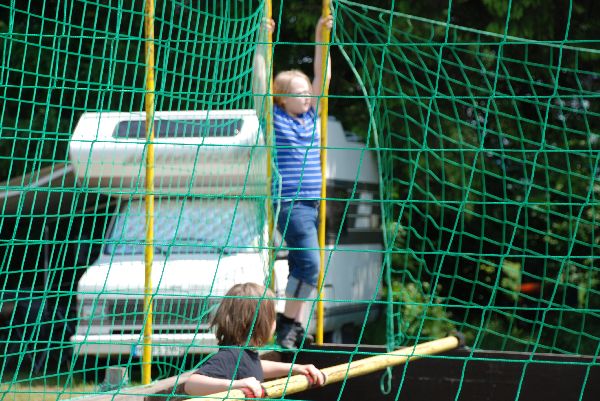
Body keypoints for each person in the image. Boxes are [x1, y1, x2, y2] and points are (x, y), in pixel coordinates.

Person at [253, 14, 334, 350]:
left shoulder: (312, 117)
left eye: (307, 94)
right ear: (282, 99)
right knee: (311, 265)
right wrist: (261, 41)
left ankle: (294, 326)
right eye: (299, 94)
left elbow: (322, 76)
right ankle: (289, 323)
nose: (307, 98)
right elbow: (260, 84)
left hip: (313, 202)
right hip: (291, 200)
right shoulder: (275, 119)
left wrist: (320, 34)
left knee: (306, 266)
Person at [183, 283, 325, 397]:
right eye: (273, 317)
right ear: (261, 323)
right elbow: (191, 384)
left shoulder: (245, 355)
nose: (275, 322)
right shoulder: (230, 356)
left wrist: (295, 368)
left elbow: (255, 365)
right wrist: (235, 385)